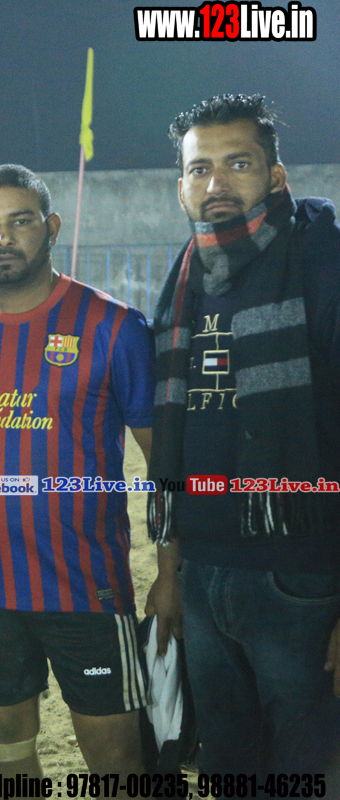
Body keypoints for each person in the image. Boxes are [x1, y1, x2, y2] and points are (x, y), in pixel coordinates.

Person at [0, 164, 155, 778]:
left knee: (118, 763)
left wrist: (173, 567)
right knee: (8, 757)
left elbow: (164, 459)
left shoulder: (113, 326)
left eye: (20, 221)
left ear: (52, 227)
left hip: (88, 589)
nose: (3, 237)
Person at [146, 93, 340, 778]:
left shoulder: (321, 261)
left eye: (239, 163)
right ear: (181, 187)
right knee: (228, 765)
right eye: (200, 169)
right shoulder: (185, 277)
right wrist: (170, 572)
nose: (217, 183)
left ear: (276, 176)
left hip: (301, 576)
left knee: (308, 767)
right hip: (202, 571)